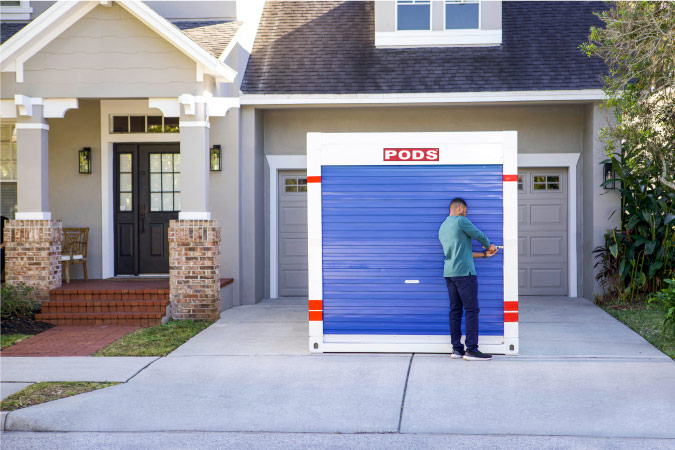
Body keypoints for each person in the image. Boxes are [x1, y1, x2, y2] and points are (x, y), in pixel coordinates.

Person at [438, 197, 498, 361]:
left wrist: (484, 255)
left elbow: (463, 253)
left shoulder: (443, 227)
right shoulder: (460, 221)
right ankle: (472, 349)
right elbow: (478, 234)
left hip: (450, 274)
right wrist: (489, 245)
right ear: (459, 209)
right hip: (465, 274)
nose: (466, 215)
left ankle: (457, 349)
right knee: (471, 310)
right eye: (465, 211)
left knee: (455, 310)